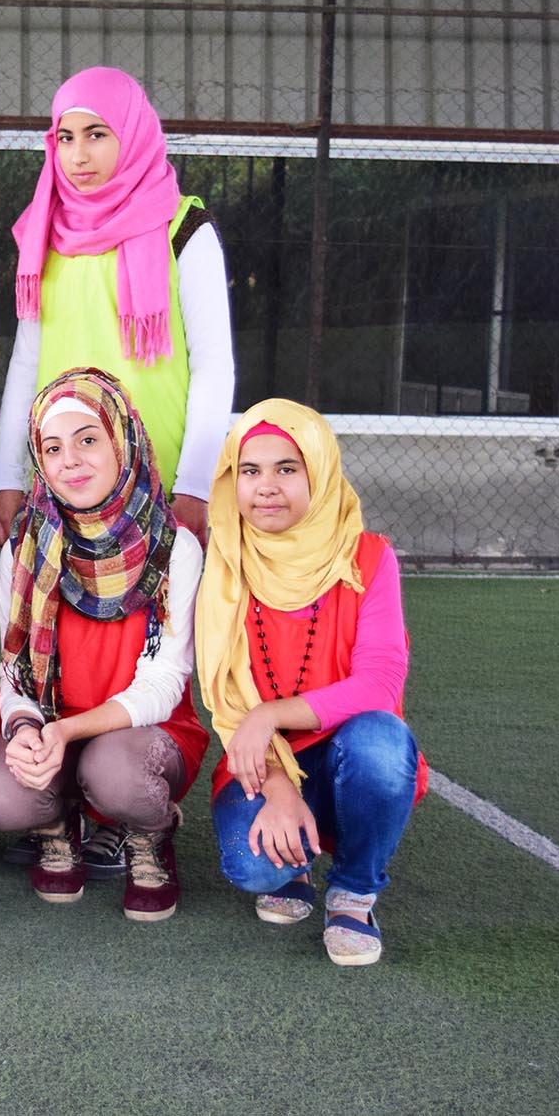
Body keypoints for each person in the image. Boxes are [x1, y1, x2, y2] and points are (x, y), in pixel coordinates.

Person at [195, 399, 425, 967]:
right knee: (256, 868)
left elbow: (379, 683)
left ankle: (353, 889)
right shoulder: (224, 560)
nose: (266, 487)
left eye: (287, 468)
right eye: (250, 471)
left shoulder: (369, 558)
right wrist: (276, 782)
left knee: (381, 741)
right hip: (259, 762)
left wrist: (270, 713)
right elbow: (226, 700)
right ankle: (294, 864)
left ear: (318, 473)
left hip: (346, 749)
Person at [0, 368, 208, 920]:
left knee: (115, 775)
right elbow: (16, 669)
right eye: (52, 448)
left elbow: (162, 683)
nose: (71, 460)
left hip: (140, 733)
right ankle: (59, 823)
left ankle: (151, 832)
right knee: (0, 796)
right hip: (55, 724)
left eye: (87, 439)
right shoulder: (25, 547)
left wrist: (68, 731)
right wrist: (28, 728)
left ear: (121, 439)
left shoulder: (173, 545)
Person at [0, 66, 234, 548]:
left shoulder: (184, 228)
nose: (78, 155)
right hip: (62, 484)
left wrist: (194, 486)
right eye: (65, 137)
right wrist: (6, 478)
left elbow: (213, 366)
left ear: (133, 133)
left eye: (96, 134)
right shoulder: (45, 234)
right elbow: (26, 363)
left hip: (161, 487)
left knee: (165, 626)